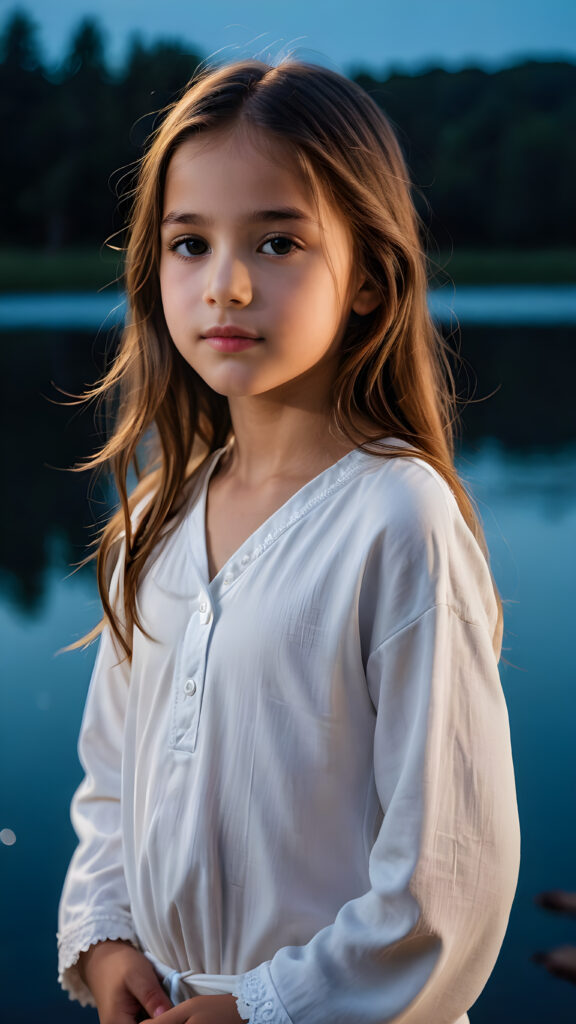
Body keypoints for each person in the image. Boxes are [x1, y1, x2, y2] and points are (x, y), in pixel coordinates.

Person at [57, 59, 520, 1024]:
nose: (225, 286)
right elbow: (111, 779)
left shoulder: (396, 519)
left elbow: (448, 874)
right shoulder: (155, 520)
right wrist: (104, 937)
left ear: (367, 277)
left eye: (276, 242)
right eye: (190, 244)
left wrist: (266, 1008)